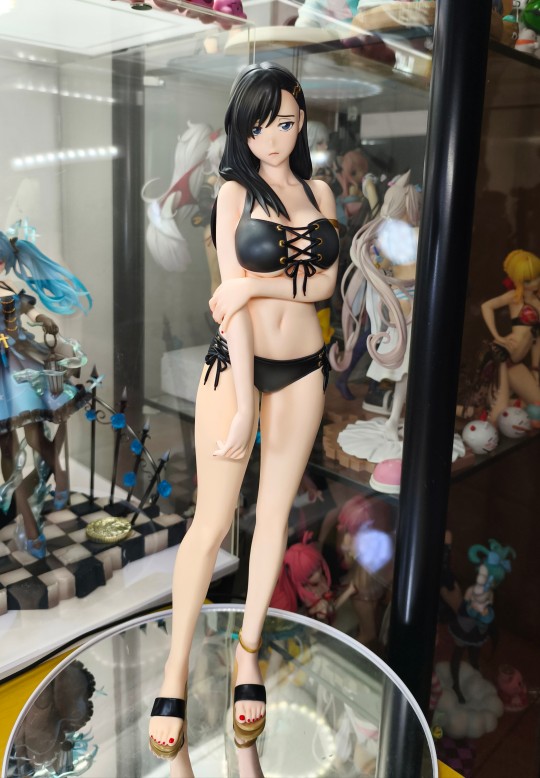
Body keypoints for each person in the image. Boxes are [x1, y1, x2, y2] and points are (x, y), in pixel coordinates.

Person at [149, 62, 339, 762]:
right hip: (237, 369)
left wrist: (257, 286)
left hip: (305, 370)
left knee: (274, 517)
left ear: (300, 119)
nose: (272, 138)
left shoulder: (318, 190)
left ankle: (248, 652)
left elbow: (324, 283)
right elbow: (228, 310)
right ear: (242, 129)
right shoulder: (233, 191)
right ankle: (174, 670)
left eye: (284, 122)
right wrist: (241, 407)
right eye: (258, 126)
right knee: (211, 522)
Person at [0, 229, 91, 558]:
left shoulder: (8, 287)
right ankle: (30, 524)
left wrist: (43, 320)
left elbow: (28, 312)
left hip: (19, 362)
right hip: (8, 369)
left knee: (35, 436)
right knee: (7, 452)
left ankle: (60, 478)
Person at [480, 249, 540, 424]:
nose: (535, 282)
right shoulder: (514, 298)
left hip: (515, 362)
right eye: (528, 280)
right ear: (517, 280)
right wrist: (497, 335)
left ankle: (515, 407)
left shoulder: (537, 301)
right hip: (501, 355)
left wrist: (535, 368)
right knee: (497, 416)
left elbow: (537, 340)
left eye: (537, 276)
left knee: (536, 401)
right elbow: (486, 306)